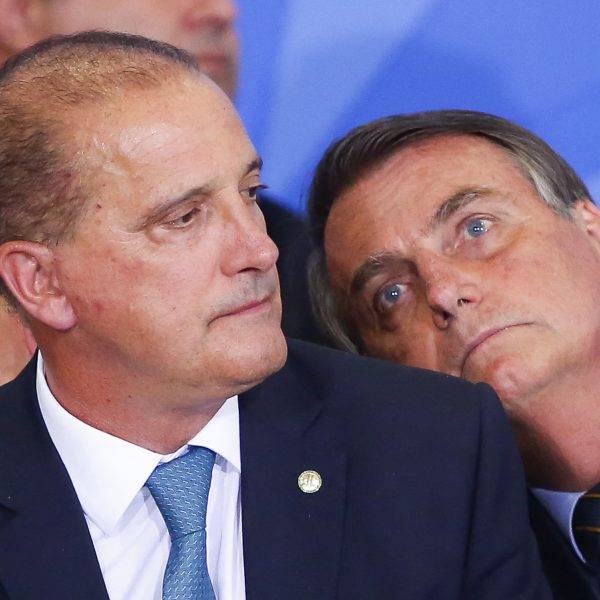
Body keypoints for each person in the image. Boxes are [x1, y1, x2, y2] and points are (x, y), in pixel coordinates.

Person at [0, 33, 549, 599]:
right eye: (184, 218)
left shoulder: (431, 449)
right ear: (43, 283)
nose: (260, 251)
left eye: (250, 193)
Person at [308, 109, 600, 598]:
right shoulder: (429, 574)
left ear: (590, 228)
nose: (442, 293)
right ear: (376, 365)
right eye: (391, 294)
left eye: (477, 228)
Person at [0, 0, 319, 386]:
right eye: (183, 217)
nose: (222, 11)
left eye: (250, 192)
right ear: (16, 11)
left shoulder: (304, 267)